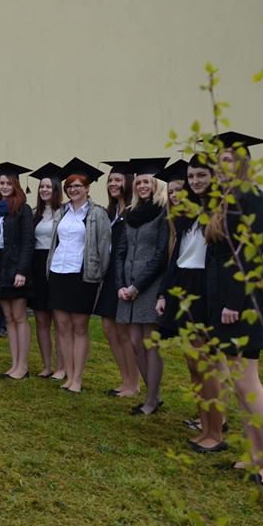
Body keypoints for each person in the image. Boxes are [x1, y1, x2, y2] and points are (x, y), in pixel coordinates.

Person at [205, 133, 263, 484]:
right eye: (218, 161)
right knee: (238, 383)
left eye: (227, 160)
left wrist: (233, 302)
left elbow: (250, 253)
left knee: (248, 382)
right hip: (226, 297)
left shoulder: (253, 198)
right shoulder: (227, 199)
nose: (221, 167)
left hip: (244, 300)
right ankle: (255, 455)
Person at [156, 154, 225, 451]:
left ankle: (216, 433)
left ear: (213, 177)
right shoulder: (188, 213)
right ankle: (204, 424)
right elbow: (177, 257)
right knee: (193, 365)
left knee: (206, 365)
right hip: (182, 286)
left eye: (201, 176)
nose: (195, 181)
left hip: (203, 291)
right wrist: (164, 293)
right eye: (191, 176)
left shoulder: (221, 211)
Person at [46, 158, 110, 393]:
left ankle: (77, 378)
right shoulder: (61, 211)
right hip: (58, 271)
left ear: (87, 188)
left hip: (82, 275)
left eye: (78, 186)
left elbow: (104, 247)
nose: (73, 190)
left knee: (79, 327)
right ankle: (68, 374)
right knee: (62, 326)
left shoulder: (97, 213)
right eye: (70, 186)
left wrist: (99, 274)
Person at [114, 158, 170, 415]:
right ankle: (153, 395)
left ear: (156, 184)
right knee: (135, 343)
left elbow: (160, 254)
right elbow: (120, 251)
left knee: (150, 343)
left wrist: (137, 286)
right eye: (138, 182)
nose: (142, 186)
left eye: (147, 181)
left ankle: (150, 400)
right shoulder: (130, 213)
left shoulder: (163, 212)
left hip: (150, 284)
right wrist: (121, 284)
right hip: (128, 284)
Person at [0, 163, 35, 380]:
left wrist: (21, 271)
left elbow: (27, 242)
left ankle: (23, 366)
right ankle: (14, 364)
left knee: (19, 316)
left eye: (8, 183)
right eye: (1, 183)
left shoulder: (23, 209)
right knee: (7, 317)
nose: (4, 186)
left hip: (15, 266)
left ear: (16, 185)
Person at [97, 161, 140, 397]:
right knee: (108, 329)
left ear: (128, 183)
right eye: (110, 180)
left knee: (123, 332)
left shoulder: (134, 212)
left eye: (117, 180)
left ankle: (133, 383)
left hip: (124, 276)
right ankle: (125, 379)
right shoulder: (111, 212)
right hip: (110, 275)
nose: (113, 184)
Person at [28, 163, 64, 378]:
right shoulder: (35, 213)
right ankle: (47, 365)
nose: (44, 190)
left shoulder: (65, 213)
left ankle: (62, 367)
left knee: (59, 321)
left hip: (56, 266)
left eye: (48, 187)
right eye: (41, 187)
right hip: (37, 267)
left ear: (56, 189)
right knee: (41, 320)